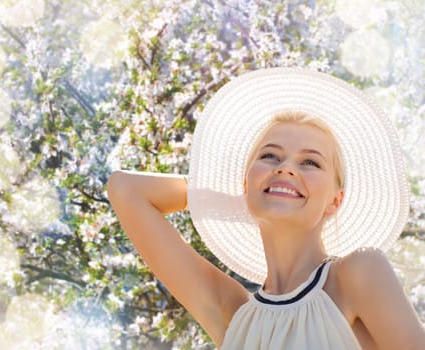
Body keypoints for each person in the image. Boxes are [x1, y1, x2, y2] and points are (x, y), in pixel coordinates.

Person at [107, 68, 425, 349]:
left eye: (310, 162)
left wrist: (270, 190)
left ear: (335, 201)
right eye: (270, 156)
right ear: (245, 183)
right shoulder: (233, 315)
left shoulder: (357, 274)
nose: (286, 168)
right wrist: (244, 196)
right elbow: (125, 189)